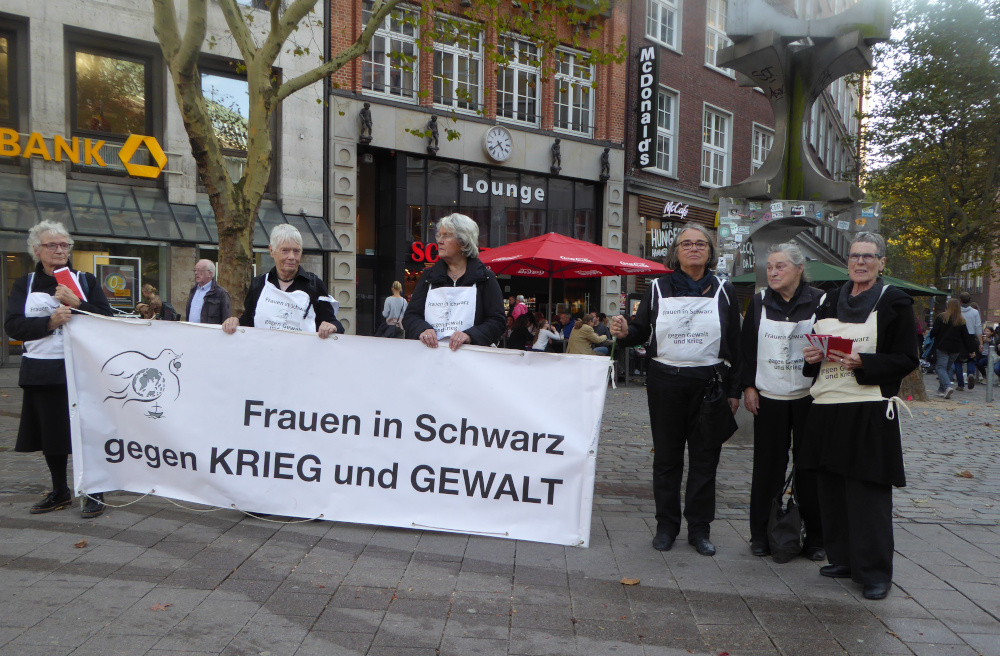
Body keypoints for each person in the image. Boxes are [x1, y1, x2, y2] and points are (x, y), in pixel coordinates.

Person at [610, 222, 742, 557]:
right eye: (687, 244)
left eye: (701, 244)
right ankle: (666, 527)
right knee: (667, 460)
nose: (694, 248)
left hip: (710, 383)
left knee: (705, 460)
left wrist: (735, 389)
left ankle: (699, 530)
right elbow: (640, 333)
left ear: (710, 253)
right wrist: (625, 330)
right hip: (666, 382)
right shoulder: (657, 287)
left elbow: (736, 345)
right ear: (676, 252)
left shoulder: (723, 289)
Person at [800, 232, 918, 601]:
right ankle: (844, 558)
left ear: (882, 262)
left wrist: (864, 361)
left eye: (869, 256)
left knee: (867, 493)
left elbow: (907, 359)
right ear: (846, 262)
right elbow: (813, 349)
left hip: (868, 408)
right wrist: (812, 358)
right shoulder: (830, 299)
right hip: (826, 406)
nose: (860, 262)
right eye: (854, 256)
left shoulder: (895, 301)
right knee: (830, 488)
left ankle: (874, 572)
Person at [4, 221, 114, 518]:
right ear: (36, 250)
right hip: (41, 372)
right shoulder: (23, 284)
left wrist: (76, 302)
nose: (59, 250)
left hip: (82, 370)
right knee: (51, 434)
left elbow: (107, 319)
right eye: (52, 245)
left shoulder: (85, 280)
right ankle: (59, 490)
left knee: (87, 431)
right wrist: (49, 323)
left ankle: (93, 490)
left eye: (64, 245)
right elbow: (13, 326)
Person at [740, 244, 824, 561]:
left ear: (799, 269)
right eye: (770, 267)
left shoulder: (820, 301)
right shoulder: (760, 301)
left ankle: (815, 537)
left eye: (780, 267)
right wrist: (748, 386)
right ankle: (760, 535)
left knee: (810, 468)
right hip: (769, 397)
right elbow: (746, 348)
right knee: (767, 470)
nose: (773, 272)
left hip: (808, 397)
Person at [402, 213, 505, 350]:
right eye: (439, 235)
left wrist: (470, 336)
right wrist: (423, 329)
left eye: (446, 235)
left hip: (470, 362)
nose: (439, 241)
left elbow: (497, 321)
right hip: (431, 358)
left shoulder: (485, 278)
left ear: (463, 242)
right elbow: (411, 316)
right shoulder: (428, 276)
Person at [223, 224, 343, 337]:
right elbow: (248, 322)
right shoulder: (259, 284)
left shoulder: (314, 285)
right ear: (271, 251)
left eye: (297, 251)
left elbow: (334, 324)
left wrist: (332, 326)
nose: (291, 257)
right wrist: (236, 322)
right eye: (285, 250)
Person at [928, 298, 977, 398]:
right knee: (947, 368)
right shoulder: (961, 320)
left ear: (948, 306)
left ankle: (947, 387)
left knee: (940, 368)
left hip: (942, 346)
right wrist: (971, 350)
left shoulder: (942, 317)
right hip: (955, 349)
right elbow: (966, 337)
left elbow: (934, 332)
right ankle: (941, 390)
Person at [186, 259, 232, 324]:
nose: (196, 273)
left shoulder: (221, 293)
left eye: (200, 270)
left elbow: (227, 319)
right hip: (191, 331)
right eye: (195, 270)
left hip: (209, 332)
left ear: (210, 274)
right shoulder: (193, 290)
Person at [953, 293, 983, 389]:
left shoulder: (956, 312)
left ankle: (960, 384)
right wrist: (980, 342)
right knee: (972, 359)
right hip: (970, 337)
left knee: (957, 361)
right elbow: (978, 327)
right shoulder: (974, 312)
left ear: (960, 300)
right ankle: (970, 373)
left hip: (958, 338)